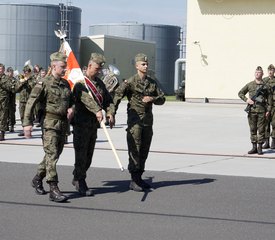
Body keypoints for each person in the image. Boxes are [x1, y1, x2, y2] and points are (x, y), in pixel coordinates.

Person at [23, 52, 74, 203]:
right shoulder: (44, 83)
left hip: (63, 125)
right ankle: (53, 188)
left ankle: (37, 178)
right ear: (53, 66)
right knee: (51, 155)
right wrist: (27, 123)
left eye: (65, 67)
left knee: (53, 156)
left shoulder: (65, 84)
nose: (65, 69)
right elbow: (31, 102)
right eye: (62, 67)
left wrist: (72, 109)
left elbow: (72, 101)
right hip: (49, 124)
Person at [113, 53, 166, 192]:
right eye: (143, 64)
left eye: (147, 64)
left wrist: (152, 99)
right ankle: (134, 179)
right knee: (135, 149)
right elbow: (117, 96)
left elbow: (162, 99)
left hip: (148, 122)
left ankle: (139, 177)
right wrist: (111, 113)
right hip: (135, 121)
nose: (146, 66)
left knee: (144, 149)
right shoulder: (130, 82)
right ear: (137, 66)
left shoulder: (152, 82)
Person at [71, 53, 115, 196]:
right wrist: (97, 110)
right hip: (81, 125)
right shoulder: (80, 83)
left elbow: (108, 100)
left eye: (100, 69)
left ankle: (78, 175)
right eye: (96, 68)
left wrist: (110, 113)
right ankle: (80, 180)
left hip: (93, 126)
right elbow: (86, 99)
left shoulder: (99, 83)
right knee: (81, 155)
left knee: (89, 156)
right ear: (89, 66)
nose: (99, 71)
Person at [238, 66, 272, 155]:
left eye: (259, 72)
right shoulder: (250, 85)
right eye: (256, 72)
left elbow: (269, 99)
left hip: (261, 111)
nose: (257, 73)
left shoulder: (266, 86)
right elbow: (240, 93)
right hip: (252, 111)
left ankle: (260, 147)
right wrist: (247, 100)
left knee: (261, 130)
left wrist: (268, 110)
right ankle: (254, 147)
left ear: (262, 74)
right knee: (253, 129)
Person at [0, 64, 27, 140]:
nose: (0, 70)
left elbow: (14, 88)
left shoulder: (5, 79)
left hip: (4, 101)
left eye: (1, 69)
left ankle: (2, 134)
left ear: (4, 70)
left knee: (4, 117)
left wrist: (22, 80)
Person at [17, 65, 36, 136]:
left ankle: (29, 129)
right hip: (22, 99)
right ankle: (24, 129)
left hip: (29, 100)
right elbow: (17, 88)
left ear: (29, 72)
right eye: (24, 71)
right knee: (22, 115)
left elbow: (33, 86)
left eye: (27, 72)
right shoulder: (21, 78)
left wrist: (27, 80)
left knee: (29, 115)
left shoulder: (32, 78)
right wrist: (22, 81)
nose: (25, 73)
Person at [262, 64, 275, 149]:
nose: (270, 72)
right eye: (269, 70)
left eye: (272, 70)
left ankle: (273, 141)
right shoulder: (264, 80)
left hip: (274, 105)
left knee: (274, 123)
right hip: (266, 105)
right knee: (266, 124)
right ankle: (266, 142)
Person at [6, 67, 17, 132]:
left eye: (12, 72)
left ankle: (12, 125)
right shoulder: (5, 79)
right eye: (10, 72)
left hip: (12, 99)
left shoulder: (14, 80)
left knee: (12, 113)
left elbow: (16, 87)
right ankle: (6, 125)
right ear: (7, 72)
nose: (11, 74)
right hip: (5, 99)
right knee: (5, 112)